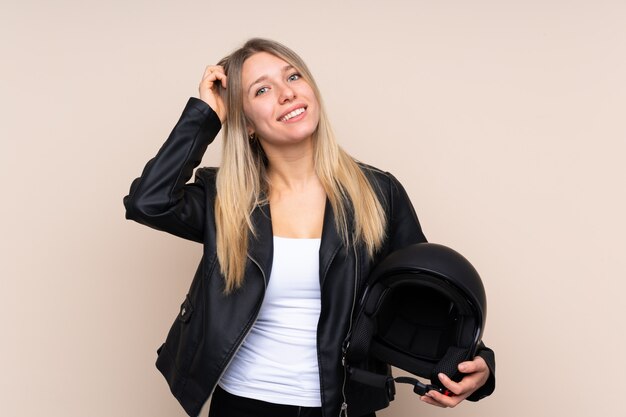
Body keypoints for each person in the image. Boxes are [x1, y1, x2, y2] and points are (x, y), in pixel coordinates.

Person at [124, 38, 495, 417]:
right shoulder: (224, 198)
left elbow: (425, 297)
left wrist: (478, 362)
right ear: (247, 123)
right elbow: (148, 202)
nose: (286, 94)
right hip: (243, 404)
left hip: (342, 406)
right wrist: (206, 115)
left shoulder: (378, 193)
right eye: (263, 89)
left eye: (294, 76)